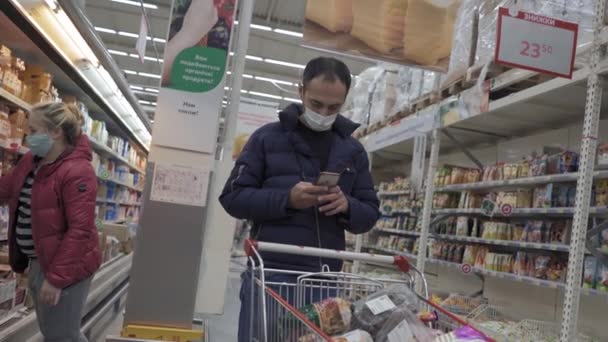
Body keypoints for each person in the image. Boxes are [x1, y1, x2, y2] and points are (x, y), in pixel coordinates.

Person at [219, 57, 380, 341]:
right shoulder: (266, 139)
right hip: (271, 276)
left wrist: (348, 206)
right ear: (301, 91)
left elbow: (369, 213)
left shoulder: (353, 151)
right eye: (317, 104)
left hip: (324, 280)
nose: (324, 113)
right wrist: (287, 199)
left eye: (334, 107)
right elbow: (233, 197)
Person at [0, 102, 101, 341]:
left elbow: (80, 230)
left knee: (61, 336)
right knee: (58, 333)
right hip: (39, 259)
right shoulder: (32, 161)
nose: (28, 136)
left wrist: (56, 280)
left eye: (34, 131)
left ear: (55, 132)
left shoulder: (78, 171)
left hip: (67, 267)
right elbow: (7, 188)